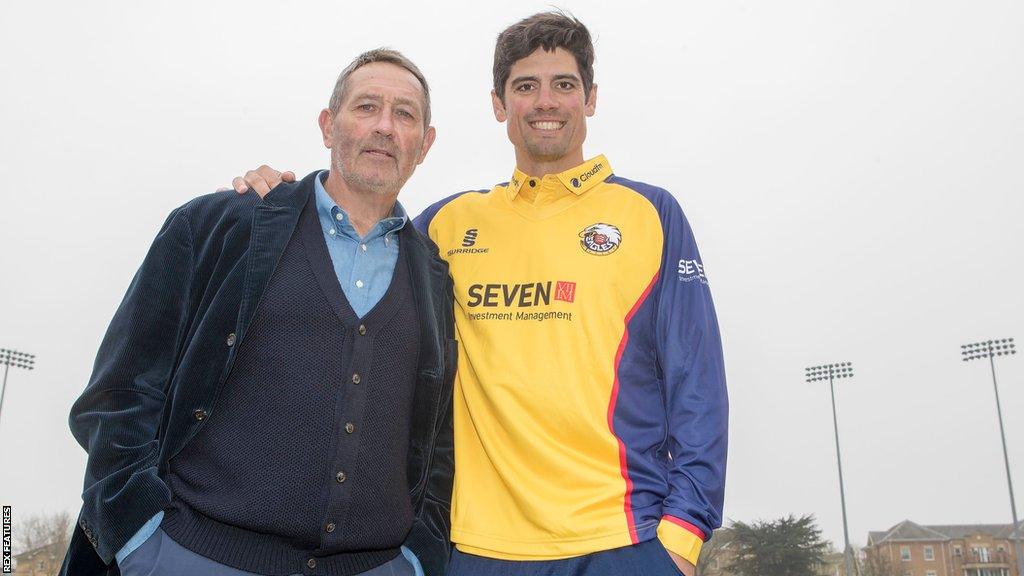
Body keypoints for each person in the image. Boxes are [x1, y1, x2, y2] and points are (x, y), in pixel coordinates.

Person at [235, 12, 728, 576]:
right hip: (472, 549)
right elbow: (352, 241)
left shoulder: (650, 214)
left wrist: (683, 537)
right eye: (525, 86)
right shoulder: (444, 225)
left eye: (564, 84)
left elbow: (698, 385)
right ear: (499, 104)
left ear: (590, 98)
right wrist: (277, 197)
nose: (546, 102)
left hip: (622, 542)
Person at [62, 49, 457, 576]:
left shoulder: (437, 277)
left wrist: (418, 558)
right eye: (366, 107)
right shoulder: (220, 226)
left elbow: (440, 439)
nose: (384, 127)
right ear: (327, 124)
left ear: (425, 144)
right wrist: (138, 539)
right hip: (192, 555)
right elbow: (120, 392)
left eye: (405, 114)